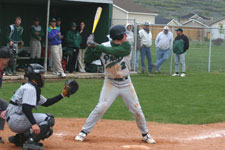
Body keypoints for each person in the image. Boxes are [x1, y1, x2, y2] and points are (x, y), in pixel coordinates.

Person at [75, 25, 156, 144]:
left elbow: (114, 51)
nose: (126, 35)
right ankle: (84, 131)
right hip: (110, 82)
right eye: (124, 34)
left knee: (137, 110)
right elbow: (87, 58)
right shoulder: (103, 46)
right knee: (101, 107)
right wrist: (89, 46)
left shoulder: (126, 45)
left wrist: (96, 45)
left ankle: (145, 134)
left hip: (126, 83)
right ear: (118, 36)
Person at [5, 63, 70, 150]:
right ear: (35, 76)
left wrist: (62, 95)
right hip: (16, 119)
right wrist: (34, 124)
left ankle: (19, 139)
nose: (43, 77)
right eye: (41, 74)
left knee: (47, 130)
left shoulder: (30, 87)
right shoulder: (30, 89)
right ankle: (31, 142)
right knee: (48, 119)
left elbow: (47, 102)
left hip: (15, 118)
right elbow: (26, 108)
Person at [0, 47, 11, 144]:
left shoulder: (1, 70)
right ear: (1, 59)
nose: (9, 60)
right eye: (7, 58)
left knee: (4, 105)